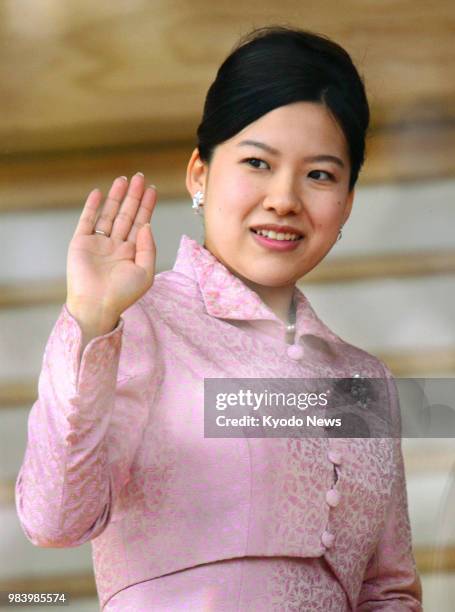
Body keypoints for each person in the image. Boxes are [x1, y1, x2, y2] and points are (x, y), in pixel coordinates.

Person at [15, 25, 422, 611]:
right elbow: (54, 520)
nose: (285, 198)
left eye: (320, 174)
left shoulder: (364, 382)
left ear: (348, 201)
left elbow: (388, 592)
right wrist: (91, 318)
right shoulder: (135, 323)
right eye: (258, 162)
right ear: (199, 174)